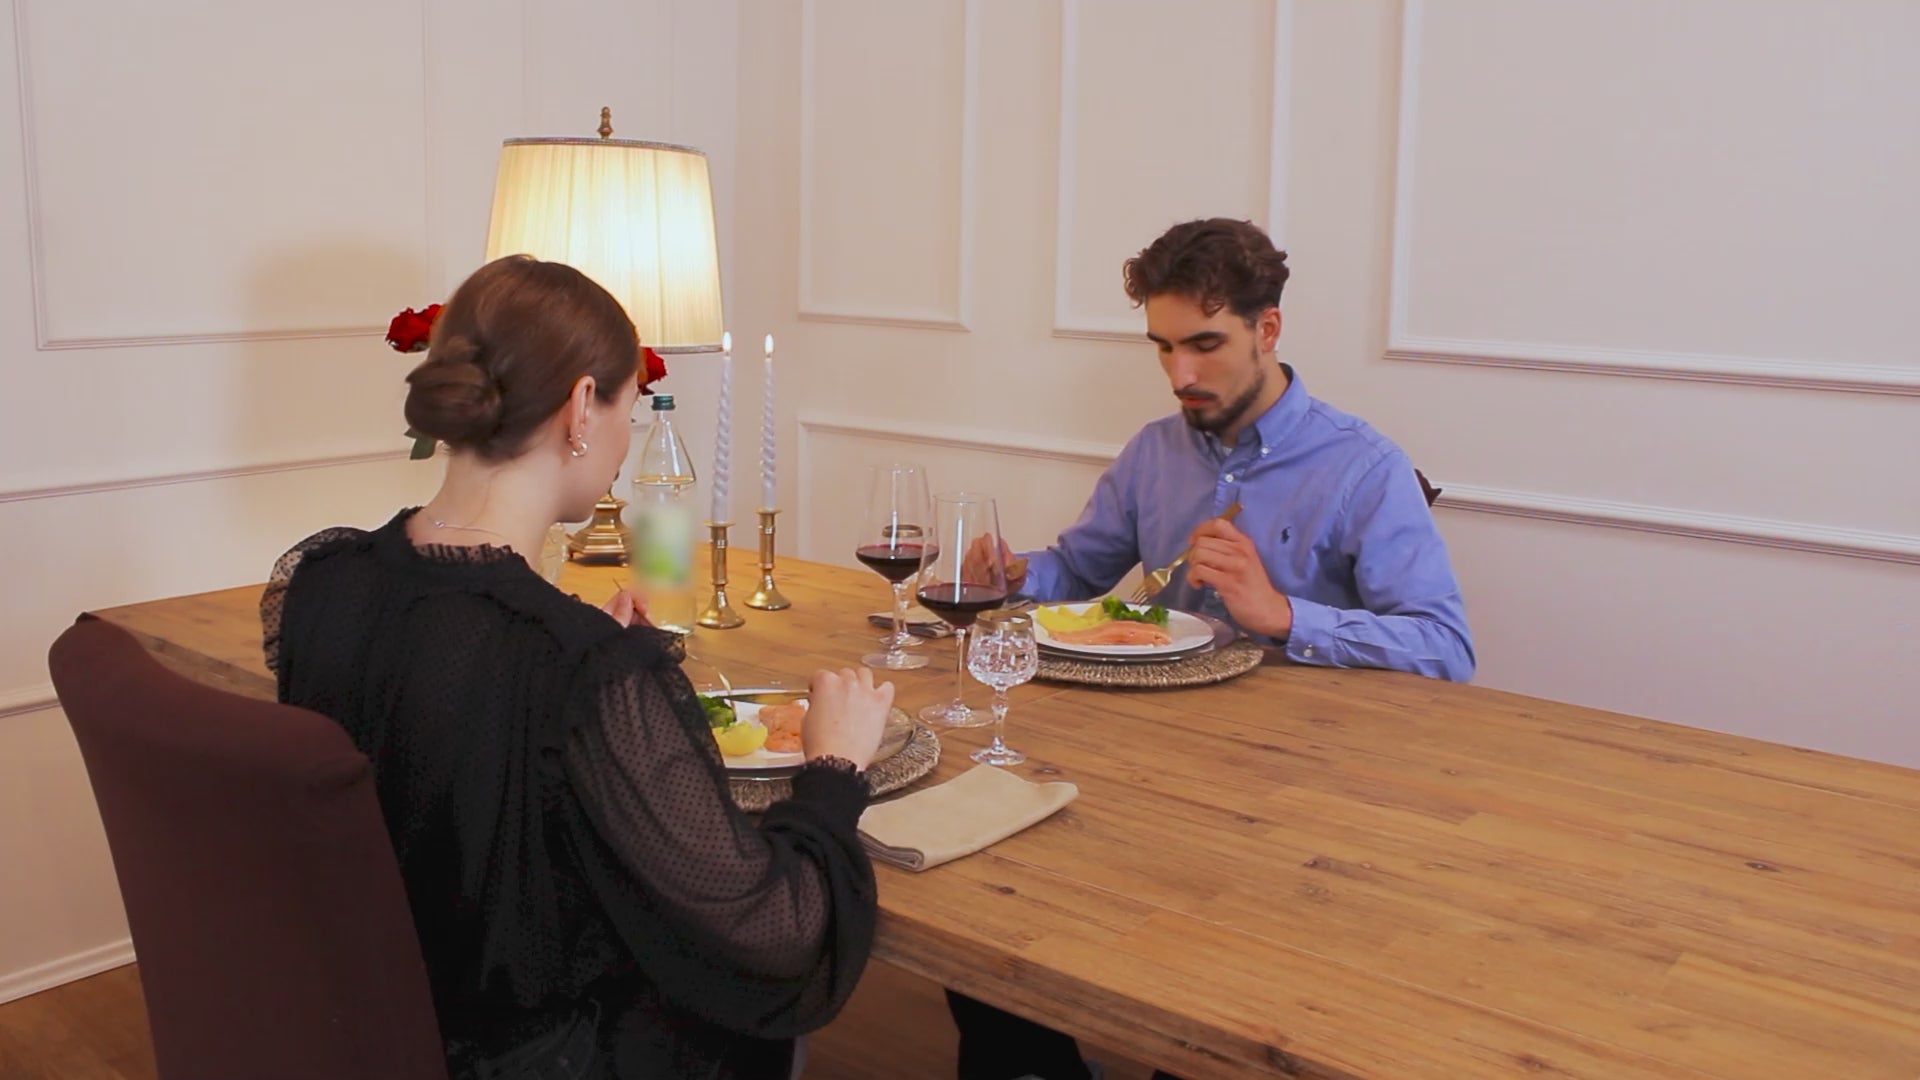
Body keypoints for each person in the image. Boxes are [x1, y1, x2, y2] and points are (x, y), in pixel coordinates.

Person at [260, 254, 896, 1080]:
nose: (627, 441)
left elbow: (432, 732)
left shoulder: (321, 583)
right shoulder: (578, 666)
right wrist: (835, 769)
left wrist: (582, 655)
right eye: (629, 406)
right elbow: (778, 930)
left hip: (367, 1028)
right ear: (581, 407)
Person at [950, 218, 1474, 1079]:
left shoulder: (1363, 468)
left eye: (1204, 345)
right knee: (976, 887)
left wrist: (1283, 615)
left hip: (1291, 801)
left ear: (1268, 329)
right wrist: (1018, 573)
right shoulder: (1154, 452)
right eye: (1162, 348)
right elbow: (1080, 570)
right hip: (1141, 763)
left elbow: (1447, 648)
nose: (1180, 376)